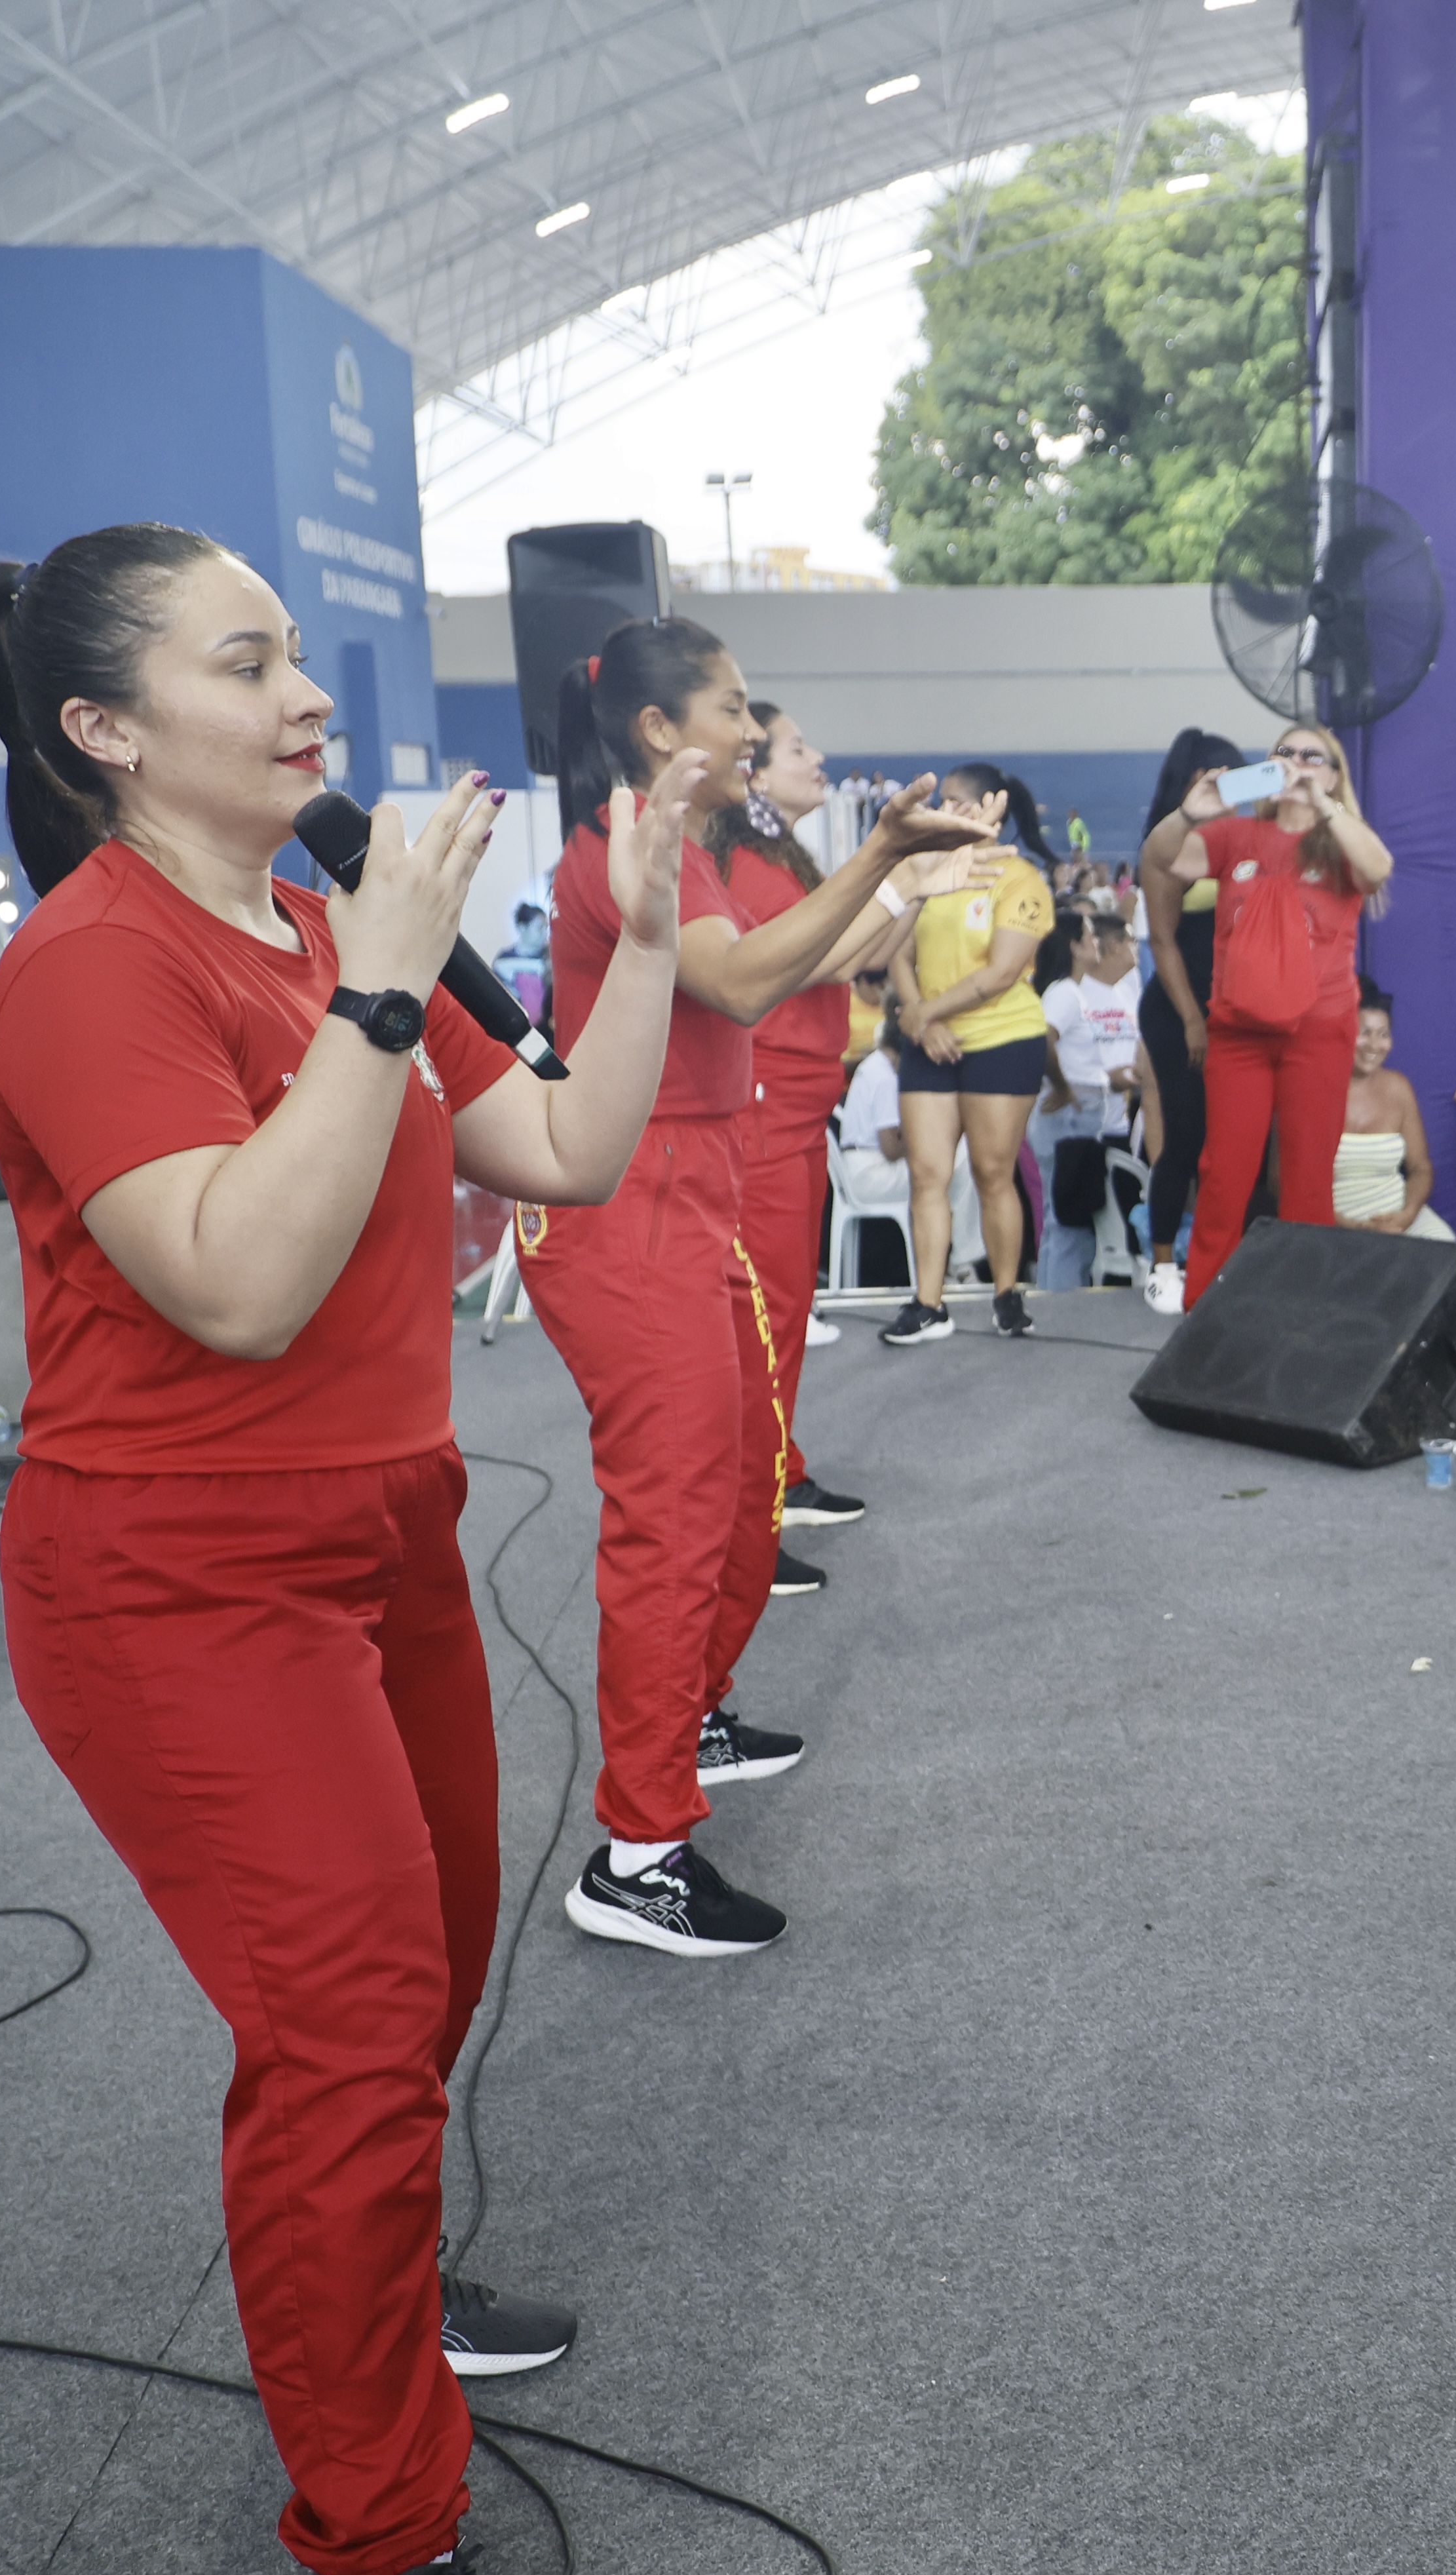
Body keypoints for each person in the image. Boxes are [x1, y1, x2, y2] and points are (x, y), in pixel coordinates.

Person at [0, 523, 695, 2575]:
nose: (308, 698)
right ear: (104, 730)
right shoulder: (95, 966)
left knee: (427, 1973)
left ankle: (372, 2299)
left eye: (299, 656)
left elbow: (560, 1151)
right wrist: (378, 980)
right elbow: (241, 1288)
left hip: (387, 1540)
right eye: (246, 662)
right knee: (355, 2028)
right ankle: (370, 2546)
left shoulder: (305, 927)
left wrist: (636, 944)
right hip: (178, 1582)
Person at [527, 615, 975, 1955]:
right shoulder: (624, 846)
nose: (752, 727)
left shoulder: (684, 842)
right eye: (731, 708)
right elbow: (739, 983)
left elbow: (775, 967)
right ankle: (638, 1852)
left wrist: (882, 861)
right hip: (630, 1206)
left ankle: (686, 1726)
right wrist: (886, 859)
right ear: (663, 730)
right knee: (672, 1520)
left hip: (694, 1189)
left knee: (735, 1492)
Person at [710, 701, 948, 1539]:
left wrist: (924, 881)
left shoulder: (779, 855)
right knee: (765, 1323)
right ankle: (751, 1520)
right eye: (798, 747)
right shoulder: (743, 860)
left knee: (782, 1313)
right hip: (767, 1112)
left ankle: (780, 1477)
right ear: (754, 771)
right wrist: (905, 871)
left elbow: (870, 955)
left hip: (796, 1110)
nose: (819, 760)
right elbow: (834, 955)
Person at [1135, 722, 1392, 1300]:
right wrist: (1188, 813)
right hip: (1239, 1034)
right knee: (1224, 1175)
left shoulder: (1342, 841)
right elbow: (1161, 859)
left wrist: (1323, 804)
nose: (1298, 762)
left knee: (1306, 1180)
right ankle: (1202, 1309)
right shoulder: (1236, 835)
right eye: (1286, 753)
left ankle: (1303, 1315)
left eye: (1314, 757)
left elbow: (1378, 870)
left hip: (1319, 1034)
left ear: (1333, 775)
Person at [879, 777, 1056, 1343]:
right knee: (927, 1175)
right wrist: (920, 1018)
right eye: (944, 798)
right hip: (930, 1043)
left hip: (1002, 1039)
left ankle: (1006, 1292)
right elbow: (897, 953)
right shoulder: (930, 874)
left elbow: (1002, 973)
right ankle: (928, 1304)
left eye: (960, 799)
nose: (946, 808)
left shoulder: (1020, 879)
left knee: (991, 1172)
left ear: (993, 810)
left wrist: (925, 1013)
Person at [1131, 731, 1238, 1307]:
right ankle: (1165, 1262)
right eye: (1210, 776)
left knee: (1235, 1138)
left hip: (1237, 1009)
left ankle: (1231, 1254)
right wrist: (1193, 1019)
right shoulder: (1168, 845)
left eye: (1232, 775)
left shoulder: (1244, 837)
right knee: (1186, 1135)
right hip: (1181, 1010)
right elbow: (1166, 943)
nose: (1223, 785)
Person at [1034, 904, 1149, 1287]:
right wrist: (1064, 1087)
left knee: (1063, 1214)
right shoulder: (1067, 993)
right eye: (1088, 936)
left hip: (1084, 1106)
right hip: (1073, 1110)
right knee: (1070, 1216)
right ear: (1074, 946)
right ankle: (1063, 1299)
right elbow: (1044, 1041)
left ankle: (1053, 1296)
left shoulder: (1070, 993)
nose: (1096, 942)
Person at [1333, 980, 1445, 1239]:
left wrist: (1407, 1215)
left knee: (1446, 1255)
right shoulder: (1314, 1091)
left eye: (1384, 1034)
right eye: (1364, 1032)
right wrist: (1353, 1227)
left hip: (1398, 1218)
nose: (1374, 1045)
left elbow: (1421, 1168)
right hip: (1336, 1225)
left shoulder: (1399, 1087)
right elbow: (1285, 1184)